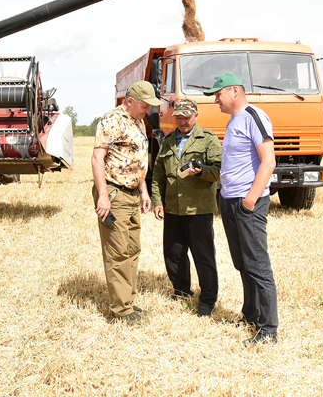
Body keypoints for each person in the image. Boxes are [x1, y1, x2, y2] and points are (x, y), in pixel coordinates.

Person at [205, 73, 278, 345]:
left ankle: (268, 329)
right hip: (230, 200)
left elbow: (268, 162)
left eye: (218, 93)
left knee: (258, 265)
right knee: (243, 263)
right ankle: (250, 315)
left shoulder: (253, 116)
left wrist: (250, 200)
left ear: (235, 91)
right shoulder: (234, 120)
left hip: (247, 202)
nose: (215, 100)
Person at [92, 81, 160, 325]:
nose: (148, 111)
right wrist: (102, 195)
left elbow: (137, 160)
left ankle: (129, 303)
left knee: (132, 250)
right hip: (114, 194)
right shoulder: (111, 120)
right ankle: (120, 311)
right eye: (144, 106)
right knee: (118, 251)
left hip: (132, 194)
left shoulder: (138, 121)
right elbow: (97, 159)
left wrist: (144, 190)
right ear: (129, 101)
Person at [151, 98, 222, 316]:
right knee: (174, 253)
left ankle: (207, 301)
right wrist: (157, 202)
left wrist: (201, 172)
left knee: (203, 256)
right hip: (173, 207)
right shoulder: (168, 141)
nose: (182, 122)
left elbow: (219, 171)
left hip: (198, 209)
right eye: (178, 118)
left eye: (186, 117)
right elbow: (158, 176)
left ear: (196, 116)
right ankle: (181, 292)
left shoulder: (208, 139)